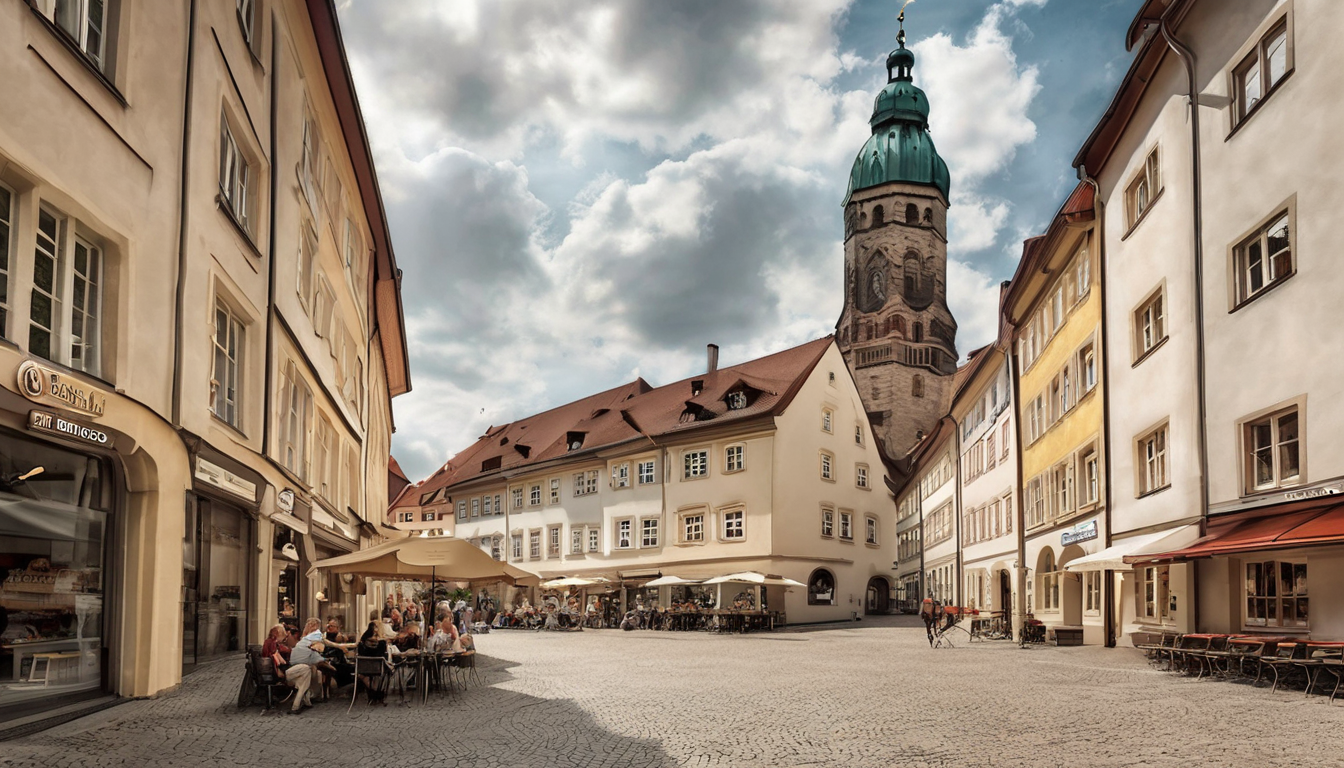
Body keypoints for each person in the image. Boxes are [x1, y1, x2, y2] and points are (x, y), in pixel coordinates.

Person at [285, 618, 327, 713]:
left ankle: (308, 700)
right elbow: (316, 658)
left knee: (313, 670)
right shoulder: (309, 642)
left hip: (295, 667)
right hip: (294, 669)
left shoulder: (303, 641)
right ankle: (296, 706)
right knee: (307, 674)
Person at [356, 621, 389, 705]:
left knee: (364, 676)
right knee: (384, 673)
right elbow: (383, 654)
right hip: (378, 667)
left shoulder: (362, 642)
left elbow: (360, 653)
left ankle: (373, 692)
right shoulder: (381, 643)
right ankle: (376, 692)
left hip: (363, 668)